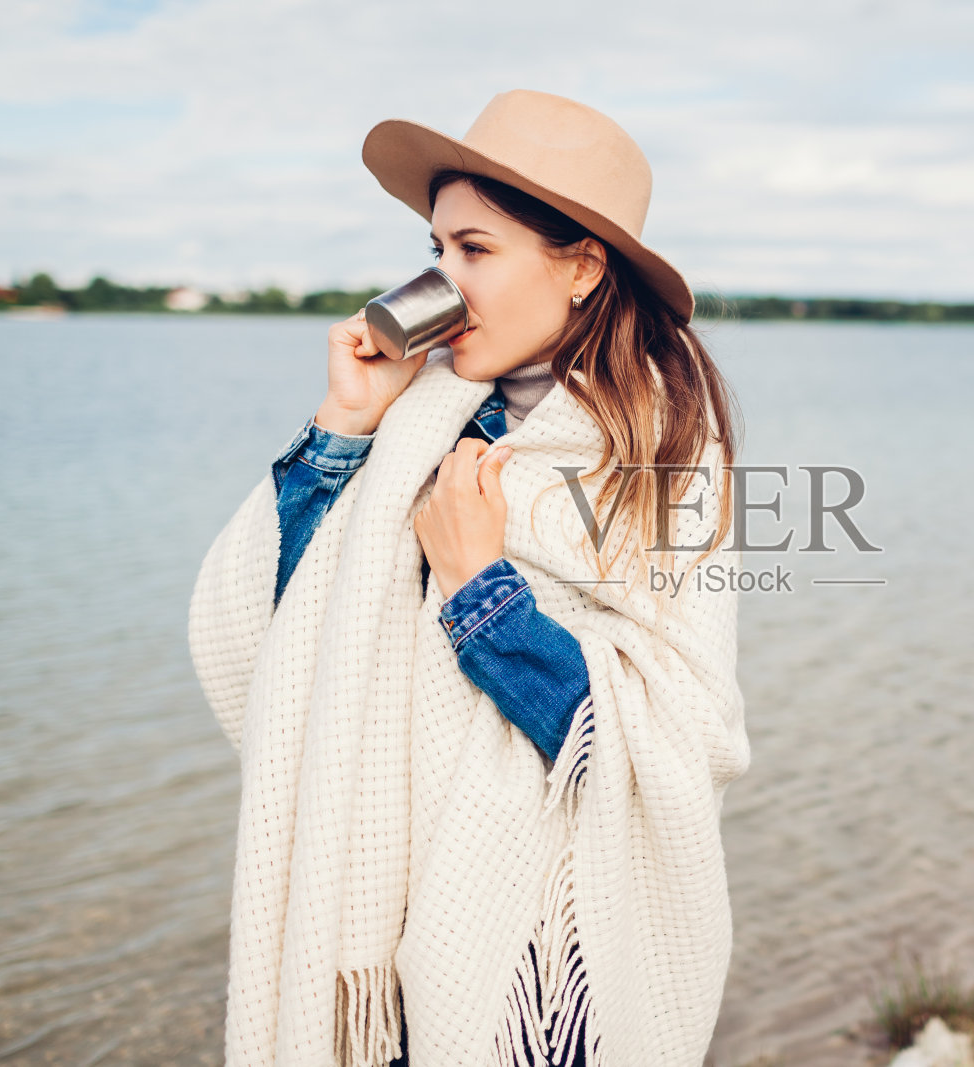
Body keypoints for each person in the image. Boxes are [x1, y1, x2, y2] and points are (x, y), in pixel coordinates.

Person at [188, 90, 750, 1067]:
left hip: (527, 945)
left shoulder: (665, 454)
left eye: (474, 250)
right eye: (435, 247)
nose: (438, 279)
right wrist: (343, 427)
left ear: (580, 266)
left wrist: (479, 588)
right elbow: (279, 620)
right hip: (373, 921)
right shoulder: (421, 414)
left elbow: (678, 737)